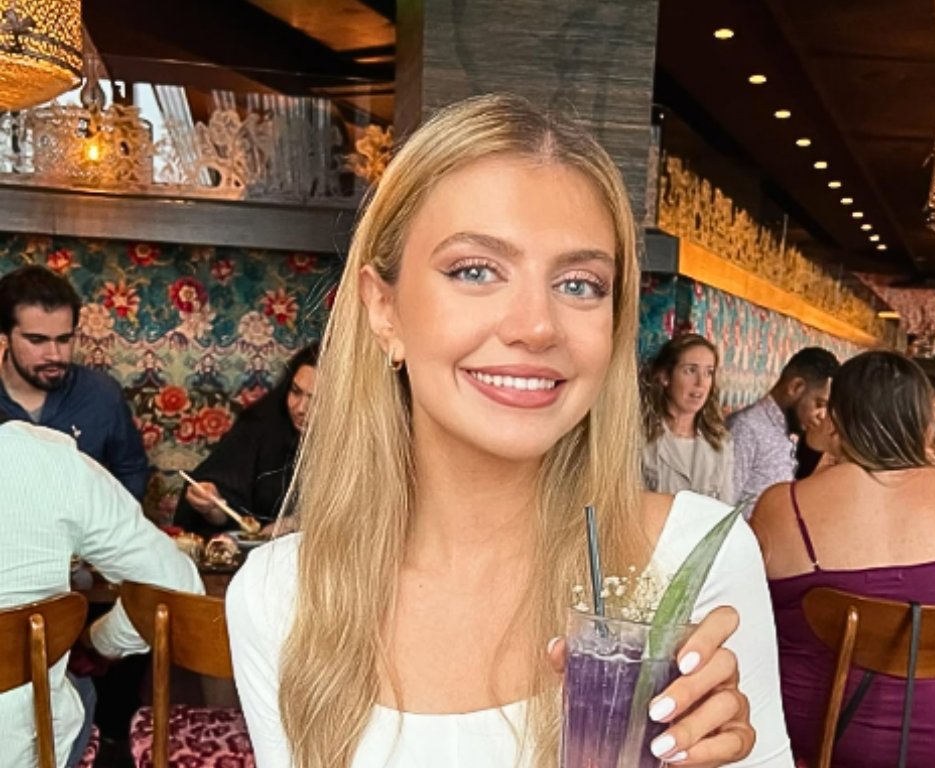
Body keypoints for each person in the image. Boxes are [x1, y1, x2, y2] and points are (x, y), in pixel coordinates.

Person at [226, 95, 792, 768]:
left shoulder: (694, 563)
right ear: (384, 310)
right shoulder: (278, 597)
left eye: (579, 284)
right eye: (475, 271)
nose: (537, 325)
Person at [750, 351, 935, 768]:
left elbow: (750, 610)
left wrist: (825, 466)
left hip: (821, 737)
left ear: (836, 417)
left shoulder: (784, 506)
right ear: (924, 423)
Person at [0, 411, 204, 768]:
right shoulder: (54, 462)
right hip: (21, 751)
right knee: (75, 689)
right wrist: (97, 644)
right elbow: (174, 584)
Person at [0, 265, 150, 499]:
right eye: (37, 340)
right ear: (4, 338)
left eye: (64, 339)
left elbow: (131, 471)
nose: (54, 355)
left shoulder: (101, 394)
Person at [174, 343, 319, 538]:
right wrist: (211, 505)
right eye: (296, 391)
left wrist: (298, 524)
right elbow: (226, 512)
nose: (300, 408)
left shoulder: (358, 445)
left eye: (316, 399)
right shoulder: (262, 424)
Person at [726, 347, 839, 508]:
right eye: (819, 404)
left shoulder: (788, 432)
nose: (822, 415)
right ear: (796, 387)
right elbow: (721, 507)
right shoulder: (746, 428)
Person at [642, 334, 734, 502]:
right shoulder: (640, 438)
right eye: (690, 370)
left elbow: (726, 510)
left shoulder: (720, 443)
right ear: (665, 377)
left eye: (708, 373)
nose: (700, 383)